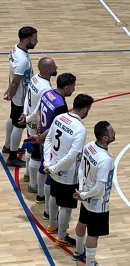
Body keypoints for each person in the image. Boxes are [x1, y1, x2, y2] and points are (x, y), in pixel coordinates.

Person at [44, 94, 93, 247]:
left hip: (52, 166)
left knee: (53, 197)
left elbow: (48, 139)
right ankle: (61, 236)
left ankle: (52, 225)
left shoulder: (59, 118)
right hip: (67, 174)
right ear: (85, 110)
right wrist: (54, 168)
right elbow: (72, 156)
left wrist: (48, 163)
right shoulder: (80, 129)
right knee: (66, 206)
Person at [72, 121, 116, 266]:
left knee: (82, 222)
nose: (114, 133)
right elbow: (99, 188)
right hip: (97, 202)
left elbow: (81, 168)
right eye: (112, 132)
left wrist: (82, 190)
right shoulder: (105, 159)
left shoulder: (90, 146)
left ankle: (79, 251)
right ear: (105, 138)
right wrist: (84, 194)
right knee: (93, 234)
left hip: (85, 193)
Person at [31, 73, 77, 226]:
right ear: (67, 87)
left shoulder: (47, 93)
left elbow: (38, 112)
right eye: (73, 87)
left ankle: (40, 197)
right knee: (50, 176)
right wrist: (42, 137)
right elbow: (55, 127)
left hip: (43, 137)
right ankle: (47, 211)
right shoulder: (60, 105)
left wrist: (39, 132)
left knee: (42, 167)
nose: (74, 89)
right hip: (50, 142)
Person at [19, 58, 58, 203]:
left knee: (30, 149)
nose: (56, 67)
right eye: (54, 66)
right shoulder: (46, 88)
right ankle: (33, 185)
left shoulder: (35, 77)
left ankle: (28, 175)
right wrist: (28, 118)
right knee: (36, 156)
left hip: (29, 119)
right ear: (46, 70)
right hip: (36, 122)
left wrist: (25, 114)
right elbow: (39, 109)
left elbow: (27, 97)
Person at [3, 26, 38, 168]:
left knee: (12, 119)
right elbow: (16, 80)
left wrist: (10, 90)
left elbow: (12, 74)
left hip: (17, 95)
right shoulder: (22, 60)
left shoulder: (15, 49)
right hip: (22, 97)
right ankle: (12, 157)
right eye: (34, 39)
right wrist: (11, 92)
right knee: (19, 126)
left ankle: (7, 146)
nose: (37, 41)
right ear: (26, 40)